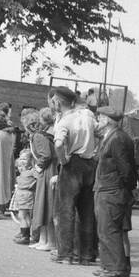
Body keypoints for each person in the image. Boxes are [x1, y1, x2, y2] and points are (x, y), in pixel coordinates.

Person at [49, 85, 98, 265]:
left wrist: (63, 160)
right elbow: (100, 132)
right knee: (86, 212)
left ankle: (65, 254)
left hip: (72, 165)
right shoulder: (87, 116)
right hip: (89, 164)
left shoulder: (65, 121)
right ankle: (85, 255)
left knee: (66, 210)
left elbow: (59, 144)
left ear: (57, 102)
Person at [93, 108, 136, 277]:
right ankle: (109, 265)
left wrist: (127, 188)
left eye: (100, 117)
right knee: (105, 228)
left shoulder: (117, 138)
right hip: (108, 188)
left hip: (112, 190)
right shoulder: (113, 136)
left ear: (108, 120)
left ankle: (116, 268)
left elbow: (125, 168)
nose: (98, 120)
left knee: (109, 229)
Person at [27, 108, 57, 250]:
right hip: (47, 172)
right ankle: (43, 240)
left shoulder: (38, 137)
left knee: (46, 206)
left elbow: (46, 155)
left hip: (46, 172)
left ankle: (49, 242)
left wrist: (37, 168)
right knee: (43, 207)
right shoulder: (43, 135)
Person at [10, 148, 37, 244]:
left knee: (22, 215)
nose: (22, 161)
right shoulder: (22, 170)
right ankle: (24, 232)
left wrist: (33, 184)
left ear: (30, 161)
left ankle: (25, 235)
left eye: (25, 159)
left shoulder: (32, 171)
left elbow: (37, 178)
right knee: (24, 216)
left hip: (26, 196)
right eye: (21, 159)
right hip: (21, 195)